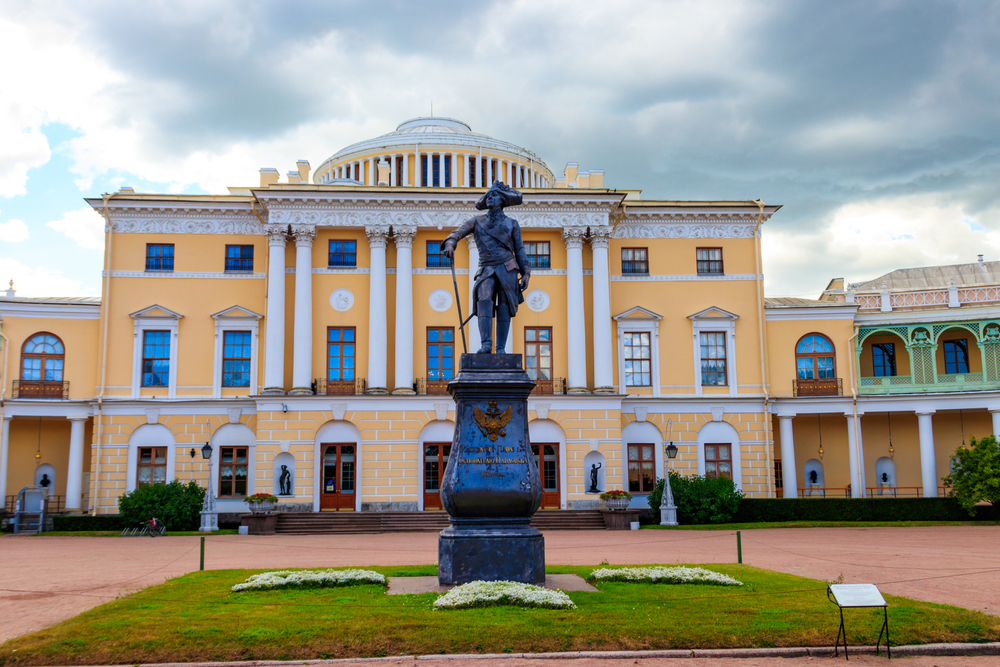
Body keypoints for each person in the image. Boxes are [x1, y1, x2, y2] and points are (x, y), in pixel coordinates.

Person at [443, 181, 530, 353]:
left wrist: (526, 272)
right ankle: (486, 344)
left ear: (502, 201)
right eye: (488, 196)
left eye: (494, 195)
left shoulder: (512, 224)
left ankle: (500, 349)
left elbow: (519, 249)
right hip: (486, 268)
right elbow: (458, 232)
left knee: (504, 305)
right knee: (484, 300)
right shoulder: (477, 221)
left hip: (507, 268)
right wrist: (451, 243)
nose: (490, 198)